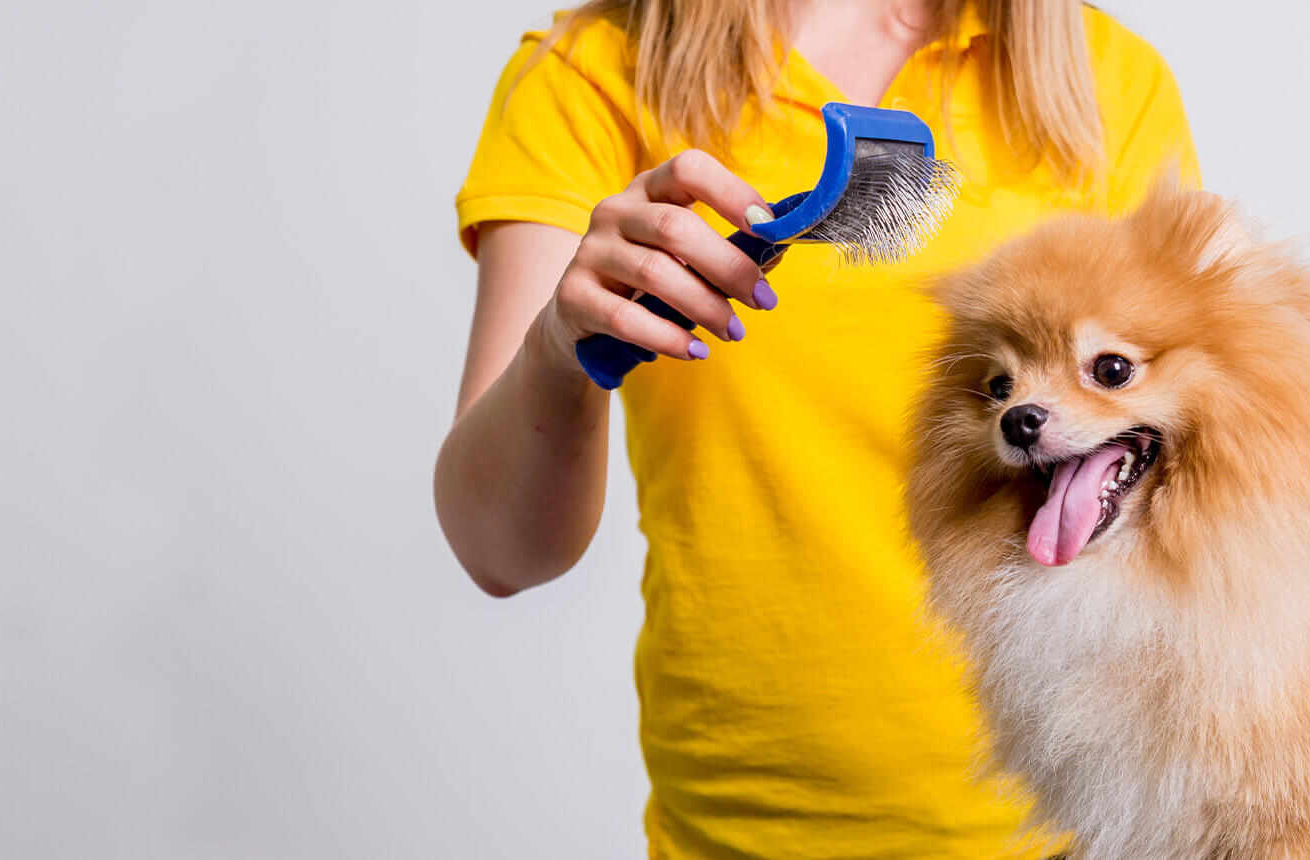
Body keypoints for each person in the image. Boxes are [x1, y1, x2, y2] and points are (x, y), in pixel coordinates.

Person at [434, 0, 1195, 855]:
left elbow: (1194, 482)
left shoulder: (1099, 76)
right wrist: (557, 349)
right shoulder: (593, 73)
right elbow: (499, 554)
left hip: (1073, 828)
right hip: (742, 830)